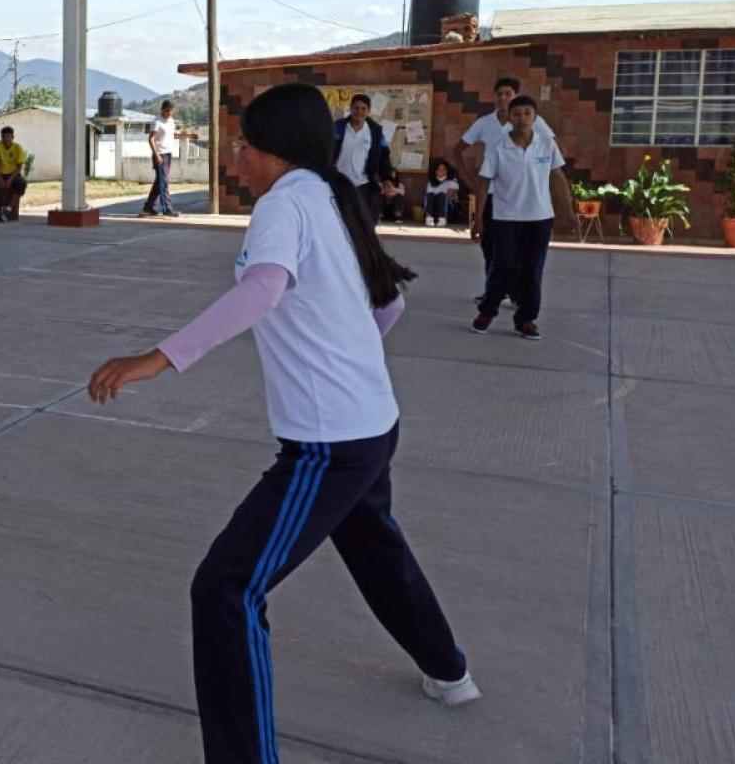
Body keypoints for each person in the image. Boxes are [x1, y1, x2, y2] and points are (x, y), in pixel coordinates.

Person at [86, 83, 477, 764]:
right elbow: (388, 307)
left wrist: (158, 359)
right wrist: (348, 357)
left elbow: (263, 290)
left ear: (276, 153)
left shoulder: (283, 205)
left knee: (226, 588)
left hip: (329, 444)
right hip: (371, 423)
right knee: (375, 547)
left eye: (244, 144)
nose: (235, 156)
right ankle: (450, 673)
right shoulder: (330, 197)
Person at [472, 96, 575, 340]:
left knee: (533, 270)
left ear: (535, 117)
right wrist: (478, 219)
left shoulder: (546, 145)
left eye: (527, 113)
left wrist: (568, 211)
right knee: (503, 266)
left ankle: (526, 319)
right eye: (517, 114)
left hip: (539, 218)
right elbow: (484, 181)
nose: (522, 118)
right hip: (505, 218)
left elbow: (557, 178)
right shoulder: (498, 147)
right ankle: (487, 311)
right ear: (510, 117)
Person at [452, 76, 556, 278]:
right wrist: (469, 181)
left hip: (522, 196)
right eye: (499, 94)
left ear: (515, 95)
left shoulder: (534, 121)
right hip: (490, 195)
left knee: (518, 250)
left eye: (508, 93)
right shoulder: (484, 123)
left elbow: (552, 154)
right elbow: (458, 150)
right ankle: (493, 289)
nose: (503, 98)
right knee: (489, 246)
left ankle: (516, 292)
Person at [331, 93, 395, 224]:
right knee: (339, 222)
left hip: (363, 184)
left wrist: (387, 179)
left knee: (364, 223)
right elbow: (326, 150)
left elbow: (384, 156)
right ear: (350, 109)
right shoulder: (337, 127)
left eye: (363, 108)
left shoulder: (376, 131)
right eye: (356, 108)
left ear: (368, 111)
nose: (359, 111)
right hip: (339, 183)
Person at [142, 99, 182, 218]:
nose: (169, 114)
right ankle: (167, 209)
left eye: (171, 111)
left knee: (159, 182)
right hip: (159, 155)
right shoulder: (157, 121)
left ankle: (149, 207)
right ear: (162, 110)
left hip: (168, 154)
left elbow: (172, 135)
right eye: (167, 111)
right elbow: (151, 139)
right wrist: (157, 155)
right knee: (163, 182)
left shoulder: (171, 121)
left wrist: (187, 135)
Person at [0, 126, 28, 222]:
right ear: (1, 137)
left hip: (13, 175)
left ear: (12, 137)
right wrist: (0, 178)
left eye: (8, 136)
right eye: (4, 137)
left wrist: (10, 179)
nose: (6, 139)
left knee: (21, 183)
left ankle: (8, 209)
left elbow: (19, 167)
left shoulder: (18, 148)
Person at [424, 160, 459, 228]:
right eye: (439, 169)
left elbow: (452, 195)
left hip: (447, 207)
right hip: (433, 206)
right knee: (430, 195)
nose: (441, 171)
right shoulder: (431, 181)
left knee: (442, 195)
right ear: (435, 171)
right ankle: (429, 218)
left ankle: (442, 219)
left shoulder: (452, 180)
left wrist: (443, 194)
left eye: (444, 169)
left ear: (447, 170)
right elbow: (428, 194)